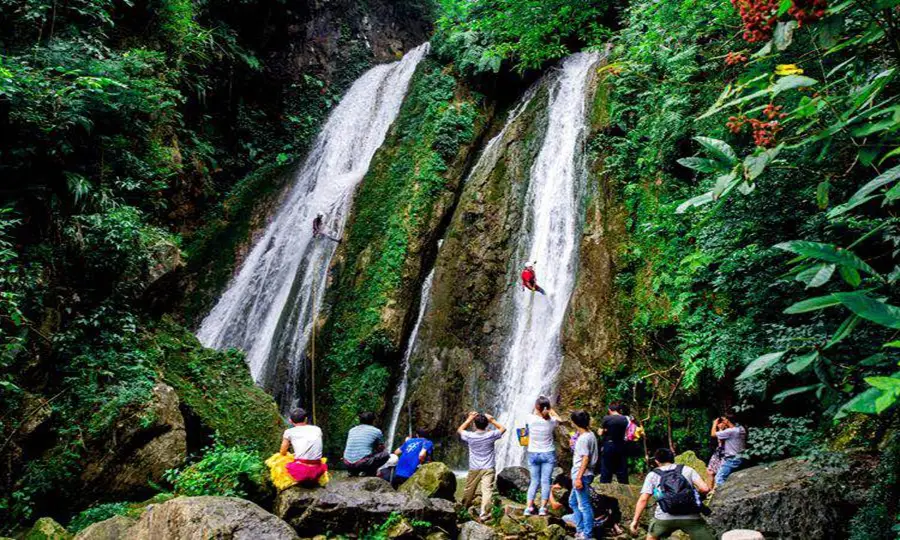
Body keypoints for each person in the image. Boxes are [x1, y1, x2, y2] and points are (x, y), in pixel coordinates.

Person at [630, 448, 715, 540]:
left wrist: (635, 521)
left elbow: (643, 499)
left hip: (663, 517)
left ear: (656, 461)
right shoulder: (688, 470)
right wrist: (695, 496)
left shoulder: (652, 475)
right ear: (673, 458)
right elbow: (705, 489)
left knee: (651, 537)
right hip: (691, 516)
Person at [458, 411, 507, 521]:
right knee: (487, 490)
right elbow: (503, 428)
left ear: (474, 425)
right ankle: (484, 514)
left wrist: (469, 418)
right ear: (487, 425)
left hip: (474, 467)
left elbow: (460, 430)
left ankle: (463, 509)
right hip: (488, 467)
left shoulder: (470, 436)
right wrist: (492, 420)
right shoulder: (491, 435)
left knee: (469, 489)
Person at [524, 396, 561, 516]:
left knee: (534, 481)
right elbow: (559, 419)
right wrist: (550, 410)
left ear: (536, 407)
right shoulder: (552, 421)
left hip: (533, 453)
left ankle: (528, 508)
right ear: (548, 408)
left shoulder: (530, 419)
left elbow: (531, 416)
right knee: (545, 481)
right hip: (548, 453)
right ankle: (543, 508)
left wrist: (539, 410)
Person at [570, 410, 599, 539]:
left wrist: (578, 478)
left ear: (575, 423)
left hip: (581, 474)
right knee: (573, 502)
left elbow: (585, 458)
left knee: (584, 505)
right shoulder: (590, 434)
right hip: (586, 473)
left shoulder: (583, 439)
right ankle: (581, 529)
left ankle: (587, 534)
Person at [280, 408, 327, 486]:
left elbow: (282, 451)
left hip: (300, 472)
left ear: (290, 420)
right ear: (306, 419)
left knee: (278, 460)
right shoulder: (317, 429)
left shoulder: (288, 432)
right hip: (318, 470)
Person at [342, 411, 390, 477]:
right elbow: (381, 448)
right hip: (362, 463)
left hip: (346, 462)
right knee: (385, 455)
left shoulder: (352, 430)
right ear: (373, 421)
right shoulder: (376, 431)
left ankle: (352, 472)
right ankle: (369, 473)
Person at [597, 402, 629, 484]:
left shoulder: (606, 418)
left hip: (609, 445)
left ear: (609, 409)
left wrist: (604, 430)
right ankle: (624, 487)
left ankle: (605, 488)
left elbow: (600, 433)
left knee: (606, 468)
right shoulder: (625, 419)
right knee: (622, 469)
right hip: (621, 445)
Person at [713, 412, 747, 485]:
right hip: (741, 457)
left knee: (719, 478)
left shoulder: (730, 431)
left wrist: (714, 423)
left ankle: (724, 495)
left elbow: (713, 434)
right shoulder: (741, 429)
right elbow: (722, 441)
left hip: (732, 459)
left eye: (723, 420)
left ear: (727, 421)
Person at [707, 417, 727, 482]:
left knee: (720, 473)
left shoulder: (729, 431)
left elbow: (714, 435)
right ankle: (709, 490)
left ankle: (716, 490)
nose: (719, 424)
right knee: (710, 471)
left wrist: (715, 425)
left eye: (721, 423)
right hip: (718, 452)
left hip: (726, 453)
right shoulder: (719, 430)